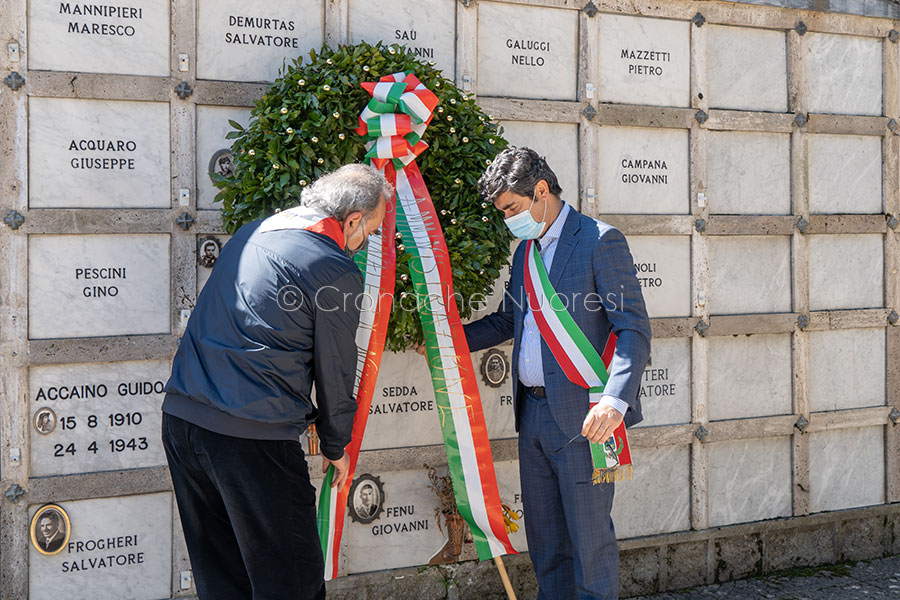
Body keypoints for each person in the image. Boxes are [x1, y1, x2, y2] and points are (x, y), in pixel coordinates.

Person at [161, 164, 391, 599]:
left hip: (182, 420)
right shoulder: (333, 267)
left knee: (224, 582)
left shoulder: (255, 230)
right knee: (291, 584)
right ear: (353, 220)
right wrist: (336, 445)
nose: (366, 244)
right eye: (372, 231)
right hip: (251, 438)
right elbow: (336, 367)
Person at [463, 147, 651, 599]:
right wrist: (448, 337)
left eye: (511, 208)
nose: (508, 219)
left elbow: (633, 328)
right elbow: (510, 320)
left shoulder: (599, 240)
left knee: (589, 546)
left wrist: (615, 400)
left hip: (586, 417)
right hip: (533, 417)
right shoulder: (525, 252)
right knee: (546, 546)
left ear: (541, 191)